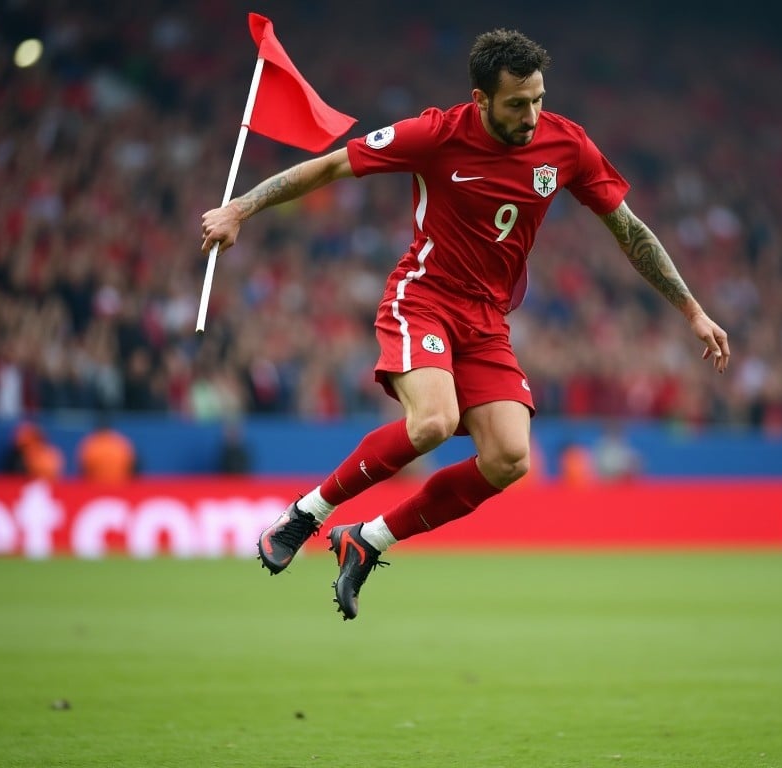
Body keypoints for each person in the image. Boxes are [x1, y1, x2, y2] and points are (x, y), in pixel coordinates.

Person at [201, 28, 730, 620]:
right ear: (480, 99)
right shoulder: (436, 134)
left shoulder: (567, 145)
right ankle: (305, 515)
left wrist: (693, 310)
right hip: (422, 297)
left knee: (509, 459)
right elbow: (329, 169)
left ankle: (367, 541)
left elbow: (630, 233)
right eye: (516, 104)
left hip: (487, 322)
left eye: (538, 99)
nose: (531, 116)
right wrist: (241, 208)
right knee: (434, 421)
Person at [77, 415, 137, 484]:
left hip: (97, 486)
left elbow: (84, 470)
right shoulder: (122, 442)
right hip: (119, 485)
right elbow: (133, 468)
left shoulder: (90, 443)